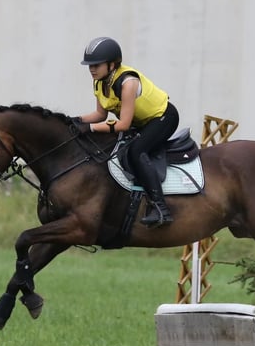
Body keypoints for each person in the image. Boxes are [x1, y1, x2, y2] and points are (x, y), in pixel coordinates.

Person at [76, 36, 179, 228]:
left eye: (96, 65)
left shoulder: (127, 82)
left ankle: (160, 208)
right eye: (90, 65)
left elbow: (123, 124)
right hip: (143, 122)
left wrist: (88, 128)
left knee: (136, 152)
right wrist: (75, 121)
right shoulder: (99, 82)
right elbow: (99, 114)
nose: (91, 69)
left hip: (164, 117)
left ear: (112, 64)